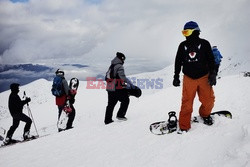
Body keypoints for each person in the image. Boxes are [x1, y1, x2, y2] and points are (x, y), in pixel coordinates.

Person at [173, 21, 217, 133]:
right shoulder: (182, 46)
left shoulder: (205, 44)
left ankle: (205, 114)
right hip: (189, 77)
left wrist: (213, 74)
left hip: (204, 77)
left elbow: (211, 60)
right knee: (187, 103)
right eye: (183, 32)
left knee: (208, 101)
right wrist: (176, 76)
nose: (185, 35)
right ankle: (184, 126)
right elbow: (178, 61)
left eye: (186, 32)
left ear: (194, 31)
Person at [104, 52, 130, 124]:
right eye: (123, 59)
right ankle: (120, 115)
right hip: (117, 87)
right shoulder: (119, 66)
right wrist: (125, 86)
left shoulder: (111, 66)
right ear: (121, 59)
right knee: (126, 100)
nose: (123, 61)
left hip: (109, 88)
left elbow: (106, 77)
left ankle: (107, 120)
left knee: (110, 104)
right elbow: (122, 78)